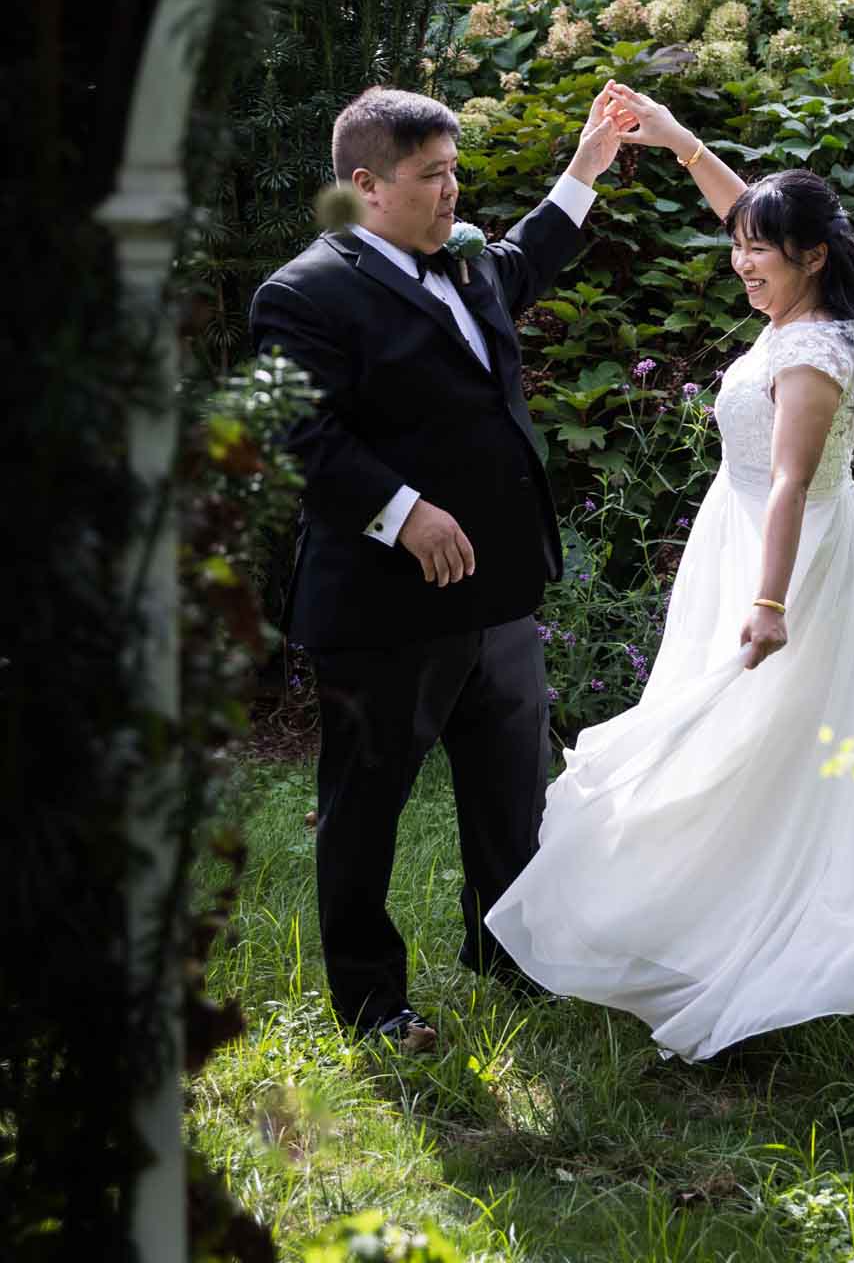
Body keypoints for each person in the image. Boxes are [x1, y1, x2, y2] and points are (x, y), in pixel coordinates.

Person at [486, 83, 854, 1062]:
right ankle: (702, 921)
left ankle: (763, 947)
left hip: (792, 559)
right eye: (739, 243)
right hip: (740, 538)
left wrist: (768, 604)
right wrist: (677, 138)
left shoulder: (811, 348)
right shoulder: (792, 297)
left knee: (753, 744)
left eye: (758, 249)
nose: (740, 259)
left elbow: (791, 483)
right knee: (734, 739)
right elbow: (738, 203)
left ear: (809, 255)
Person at [250, 82, 624, 1052]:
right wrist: (401, 508)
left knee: (510, 790)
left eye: (455, 169)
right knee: (364, 807)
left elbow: (522, 261)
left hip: (494, 593)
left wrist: (584, 165)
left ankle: (511, 956)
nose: (452, 189)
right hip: (381, 611)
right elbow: (295, 431)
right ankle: (373, 1006)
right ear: (365, 184)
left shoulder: (456, 264)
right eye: (431, 176)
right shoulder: (303, 293)